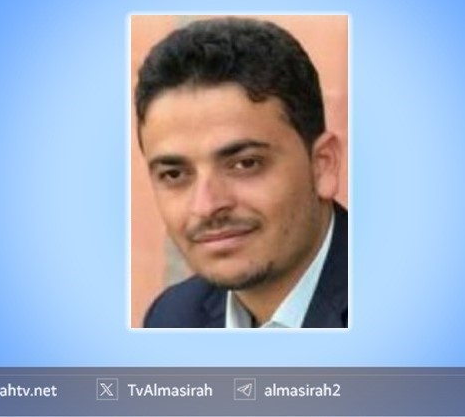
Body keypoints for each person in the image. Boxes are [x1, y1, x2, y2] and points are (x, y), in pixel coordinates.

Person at [135, 17, 347, 328]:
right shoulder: (172, 317)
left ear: (323, 165)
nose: (206, 206)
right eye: (175, 174)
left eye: (245, 164)